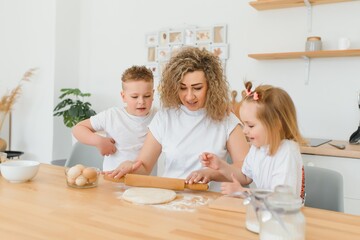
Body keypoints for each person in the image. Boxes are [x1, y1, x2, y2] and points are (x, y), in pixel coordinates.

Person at [105, 47, 250, 190]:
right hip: (171, 199)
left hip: (210, 202)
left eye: (197, 88)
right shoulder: (165, 117)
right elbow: (144, 166)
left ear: (211, 86)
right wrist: (130, 166)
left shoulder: (226, 119)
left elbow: (245, 169)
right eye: (182, 88)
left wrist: (212, 174)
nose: (189, 96)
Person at [201, 81, 306, 198]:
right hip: (264, 211)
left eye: (250, 126)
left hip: (284, 214)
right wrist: (220, 165)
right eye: (244, 124)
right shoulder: (257, 148)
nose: (244, 131)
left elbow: (280, 198)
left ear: (275, 124)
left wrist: (243, 192)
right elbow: (245, 177)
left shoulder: (287, 152)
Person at [72, 65, 156, 171]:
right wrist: (99, 141)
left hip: (144, 181)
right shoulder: (112, 115)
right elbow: (78, 129)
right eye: (134, 97)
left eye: (147, 96)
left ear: (153, 94)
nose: (141, 101)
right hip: (112, 179)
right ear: (123, 96)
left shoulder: (158, 117)